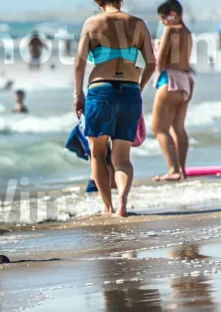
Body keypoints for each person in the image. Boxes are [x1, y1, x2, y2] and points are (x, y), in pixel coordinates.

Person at [74, 0, 156, 217]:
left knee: (98, 155)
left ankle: (107, 207)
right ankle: (122, 203)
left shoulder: (92, 23)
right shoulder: (138, 24)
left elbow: (79, 64)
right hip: (130, 92)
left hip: (101, 91)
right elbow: (152, 63)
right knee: (122, 159)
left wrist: (78, 94)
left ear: (98, 2)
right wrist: (139, 87)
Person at [152, 0, 193, 182]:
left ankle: (173, 169)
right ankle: (182, 170)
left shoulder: (171, 30)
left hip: (170, 80)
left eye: (164, 18)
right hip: (186, 81)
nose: (163, 23)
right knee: (178, 127)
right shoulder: (187, 33)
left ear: (173, 14)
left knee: (159, 128)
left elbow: (160, 62)